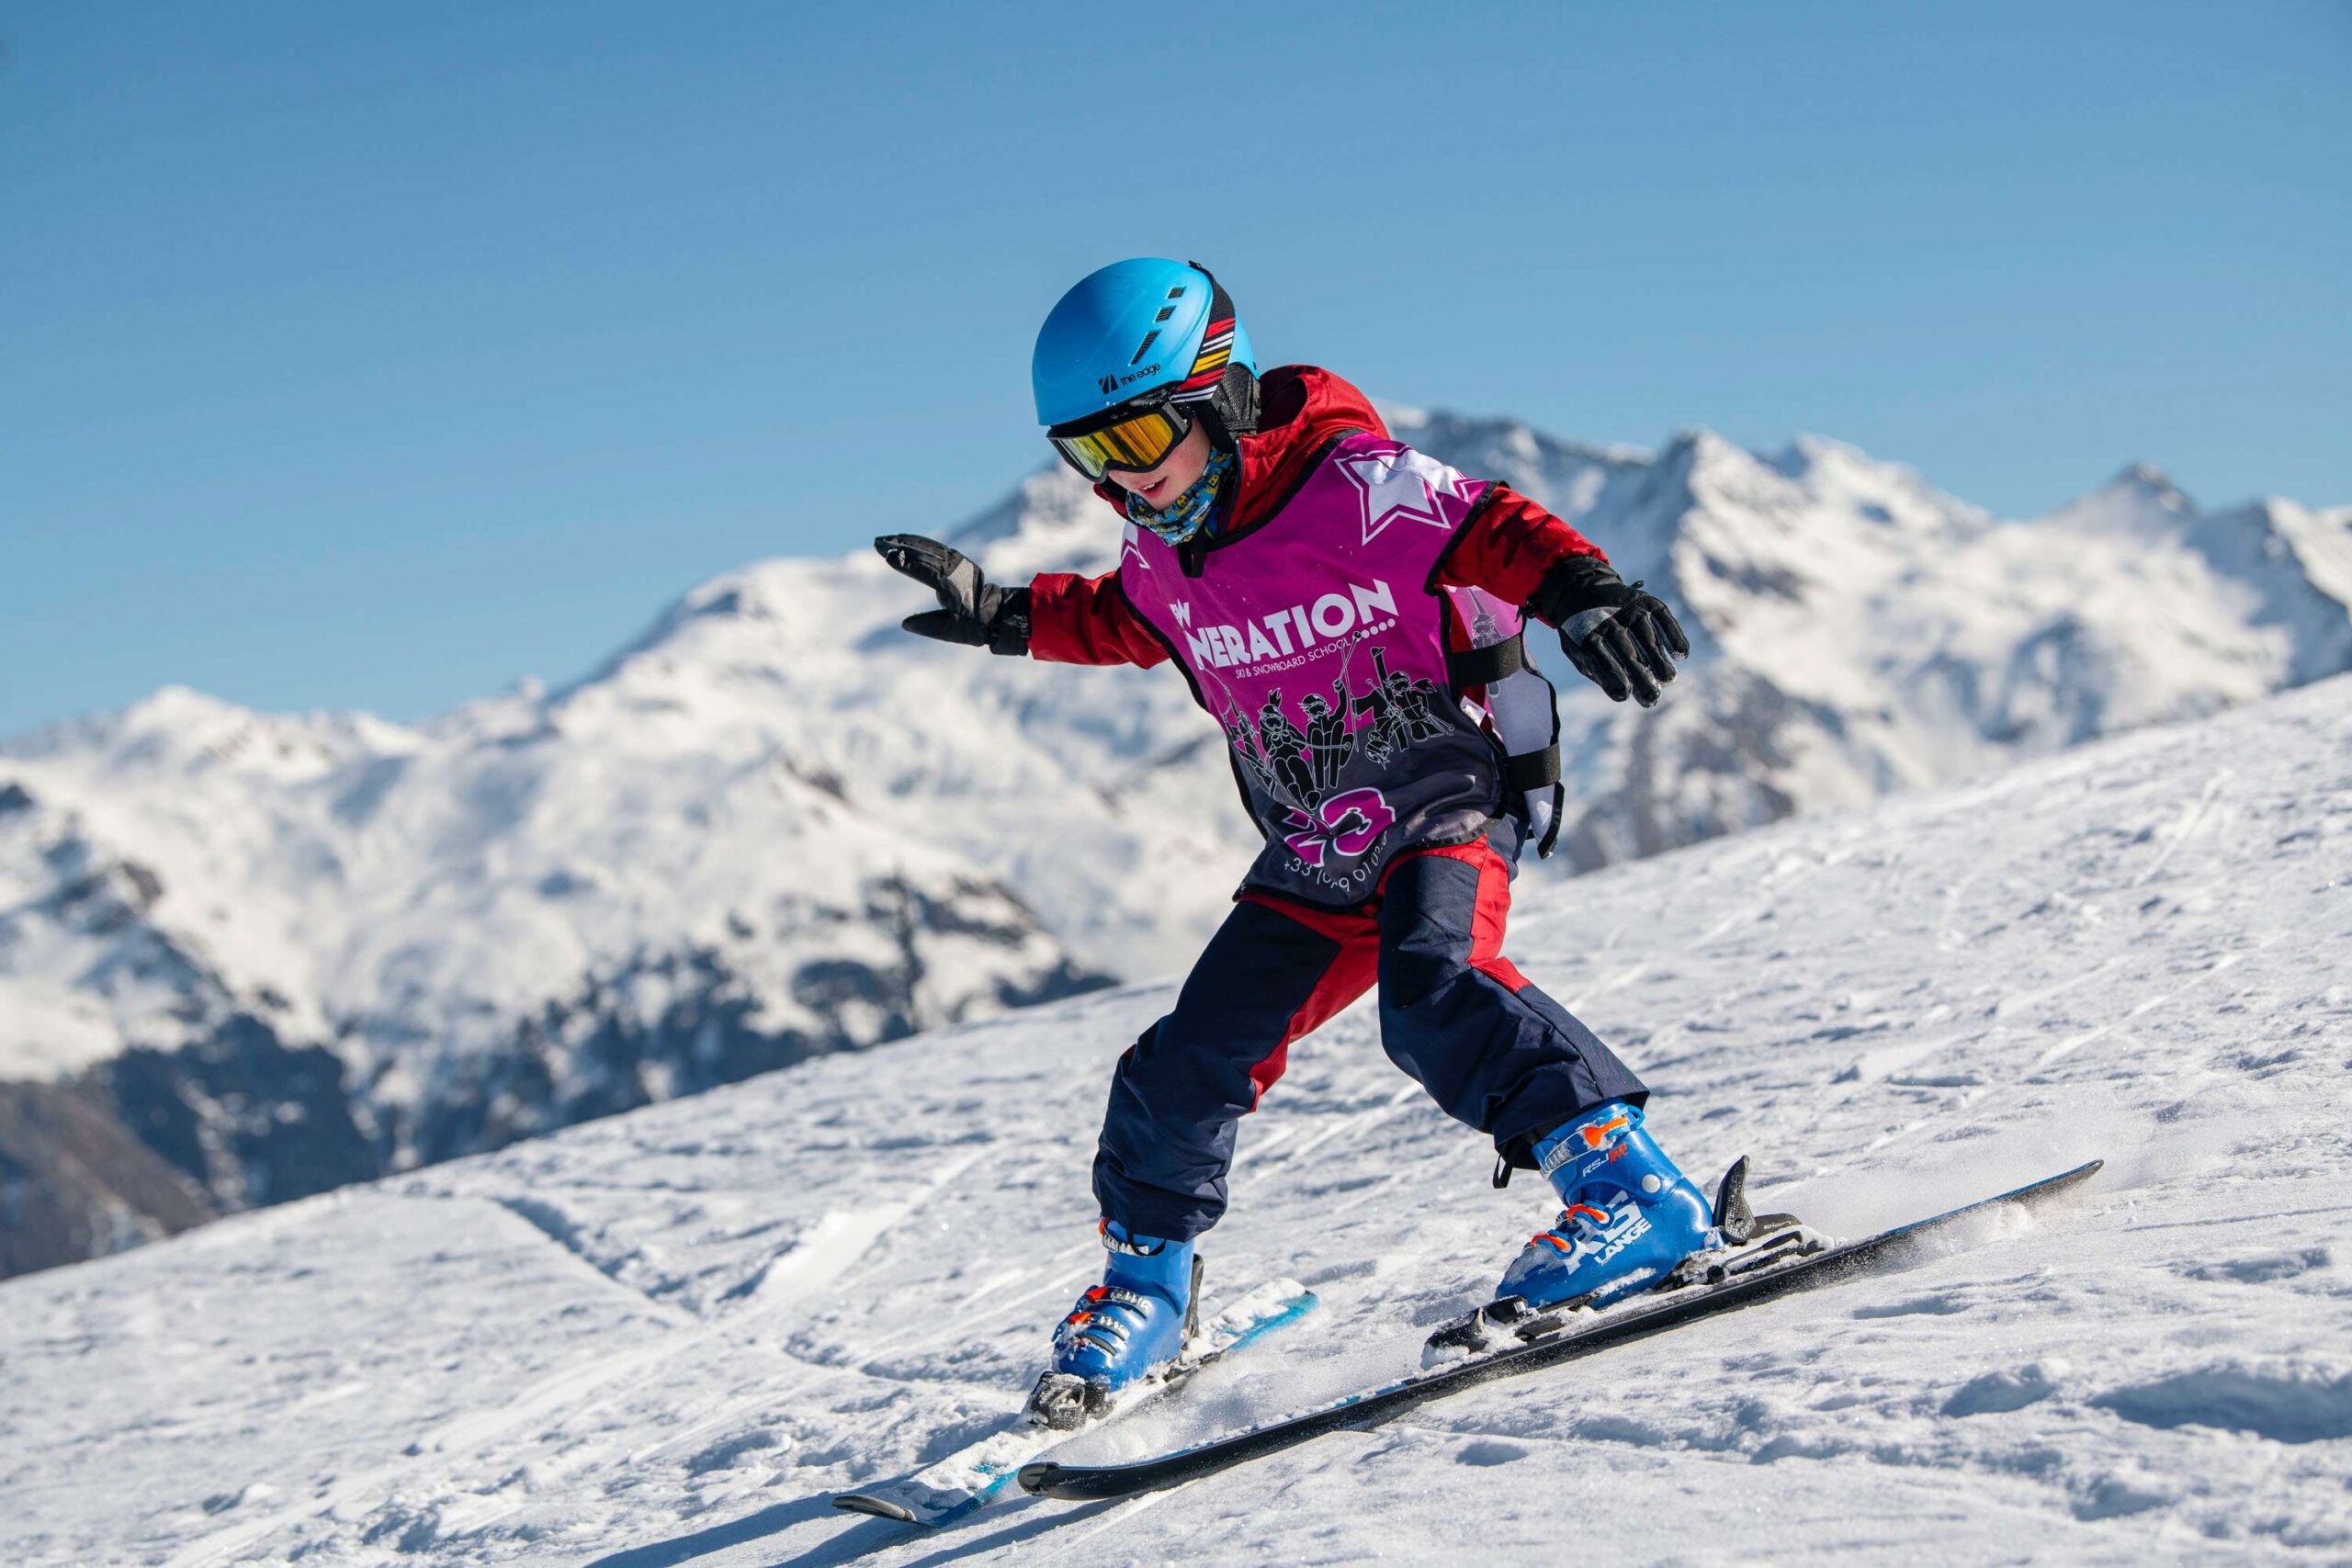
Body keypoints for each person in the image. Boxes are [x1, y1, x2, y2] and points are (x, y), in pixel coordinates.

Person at [876, 258, 1712, 1414]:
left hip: (1441, 805)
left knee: (1436, 988)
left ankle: (1635, 1194)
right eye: (1088, 457)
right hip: (1318, 847)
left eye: (1137, 442)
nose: (1120, 483)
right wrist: (1006, 615)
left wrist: (1584, 591)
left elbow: (1490, 526)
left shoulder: (1354, 487)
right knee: (1184, 1063)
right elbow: (1129, 620)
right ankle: (1148, 1288)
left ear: (1216, 394)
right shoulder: (1167, 550)